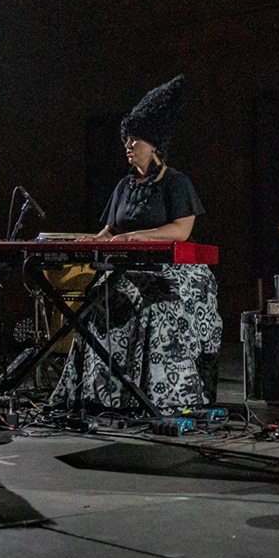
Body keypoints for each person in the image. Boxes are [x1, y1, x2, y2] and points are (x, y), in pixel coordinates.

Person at [50, 74, 223, 413]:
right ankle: (103, 395)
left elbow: (181, 230)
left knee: (154, 307)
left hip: (174, 270)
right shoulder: (125, 186)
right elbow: (108, 233)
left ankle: (159, 394)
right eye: (126, 140)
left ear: (154, 144)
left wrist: (140, 236)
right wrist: (83, 240)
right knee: (99, 301)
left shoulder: (175, 182)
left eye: (135, 140)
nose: (128, 146)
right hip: (128, 269)